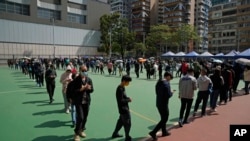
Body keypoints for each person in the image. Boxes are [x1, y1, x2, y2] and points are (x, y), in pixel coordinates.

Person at [149, 72, 174, 140]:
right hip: (164, 103)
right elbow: (168, 95)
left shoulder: (159, 82)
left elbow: (156, 92)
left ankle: (164, 131)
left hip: (158, 102)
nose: (170, 80)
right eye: (170, 78)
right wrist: (172, 93)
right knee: (165, 118)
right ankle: (153, 132)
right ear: (168, 76)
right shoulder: (166, 84)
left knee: (163, 117)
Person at [72, 65, 94, 141]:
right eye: (83, 70)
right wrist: (81, 89)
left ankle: (81, 130)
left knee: (85, 117)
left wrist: (88, 88)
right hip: (78, 101)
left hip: (86, 101)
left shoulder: (89, 79)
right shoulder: (76, 80)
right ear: (80, 71)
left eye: (86, 70)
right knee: (80, 117)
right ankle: (76, 134)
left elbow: (92, 90)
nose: (85, 72)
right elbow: (73, 91)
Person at [111, 75, 132, 141]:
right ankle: (127, 137)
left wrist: (127, 98)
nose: (128, 83)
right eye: (127, 82)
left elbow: (123, 97)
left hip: (123, 108)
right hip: (123, 109)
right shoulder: (119, 89)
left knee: (120, 122)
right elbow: (121, 101)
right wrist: (128, 100)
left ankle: (115, 133)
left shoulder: (122, 87)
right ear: (123, 81)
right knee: (128, 123)